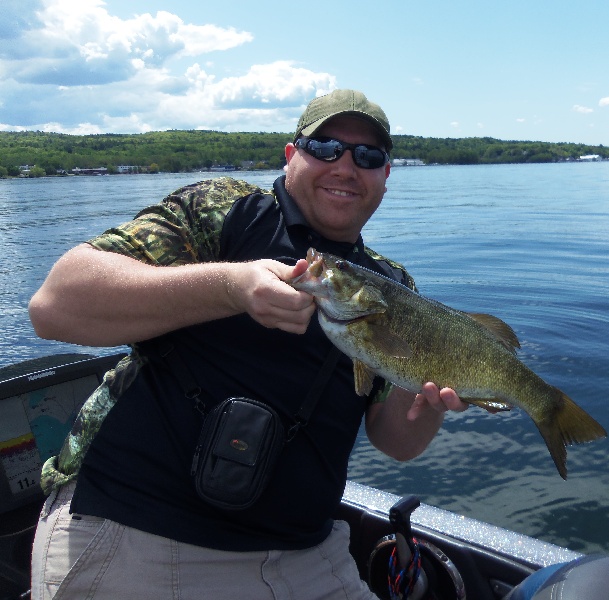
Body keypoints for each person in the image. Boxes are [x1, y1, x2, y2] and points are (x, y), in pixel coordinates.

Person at [28, 89, 467, 600]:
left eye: (368, 156)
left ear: (385, 176)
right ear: (291, 155)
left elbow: (397, 442)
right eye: (325, 147)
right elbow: (55, 306)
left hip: (311, 557)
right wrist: (230, 287)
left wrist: (431, 402)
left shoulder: (391, 287)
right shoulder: (225, 212)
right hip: (140, 533)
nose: (346, 167)